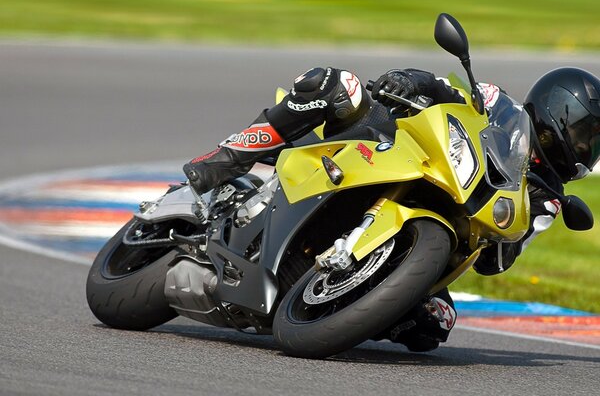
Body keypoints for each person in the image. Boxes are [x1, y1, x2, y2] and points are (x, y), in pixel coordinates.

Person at [183, 66, 600, 352]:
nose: (587, 148)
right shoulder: (497, 104)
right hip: (394, 149)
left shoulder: (547, 199)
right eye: (586, 135)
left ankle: (343, 306)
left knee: (434, 326)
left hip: (446, 225)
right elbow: (442, 85)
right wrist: (406, 81)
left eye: (594, 143)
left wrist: (511, 234)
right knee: (337, 84)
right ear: (559, 112)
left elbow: (496, 263)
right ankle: (225, 158)